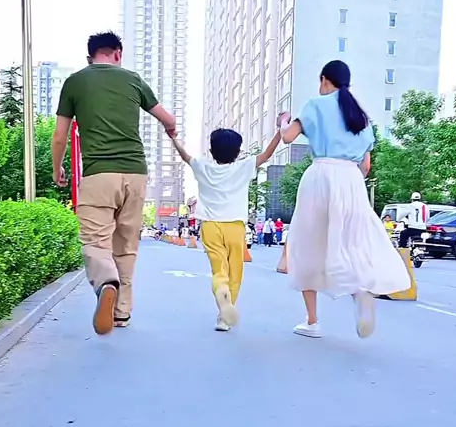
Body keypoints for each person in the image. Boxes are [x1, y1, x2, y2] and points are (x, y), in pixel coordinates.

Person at [52, 31, 176, 335]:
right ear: (118, 53)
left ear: (89, 57)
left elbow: (59, 137)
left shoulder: (75, 82)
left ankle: (107, 282)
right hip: (136, 174)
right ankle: (121, 313)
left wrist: (58, 168)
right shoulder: (132, 79)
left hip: (99, 175)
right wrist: (171, 131)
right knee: (126, 246)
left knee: (95, 242)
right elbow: (168, 118)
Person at [279, 59, 410, 339]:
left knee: (307, 245)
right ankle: (360, 292)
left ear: (325, 79)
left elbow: (288, 137)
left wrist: (283, 122)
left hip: (321, 175)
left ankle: (312, 322)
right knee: (353, 243)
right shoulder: (360, 116)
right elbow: (366, 166)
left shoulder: (315, 105)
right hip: (351, 180)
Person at [167, 126, 281, 330]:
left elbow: (185, 156)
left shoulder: (203, 166)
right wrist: (280, 130)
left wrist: (174, 138)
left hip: (210, 226)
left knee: (219, 270)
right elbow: (267, 154)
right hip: (235, 226)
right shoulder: (244, 166)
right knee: (235, 272)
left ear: (211, 151)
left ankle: (220, 289)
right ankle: (224, 318)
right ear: (238, 152)